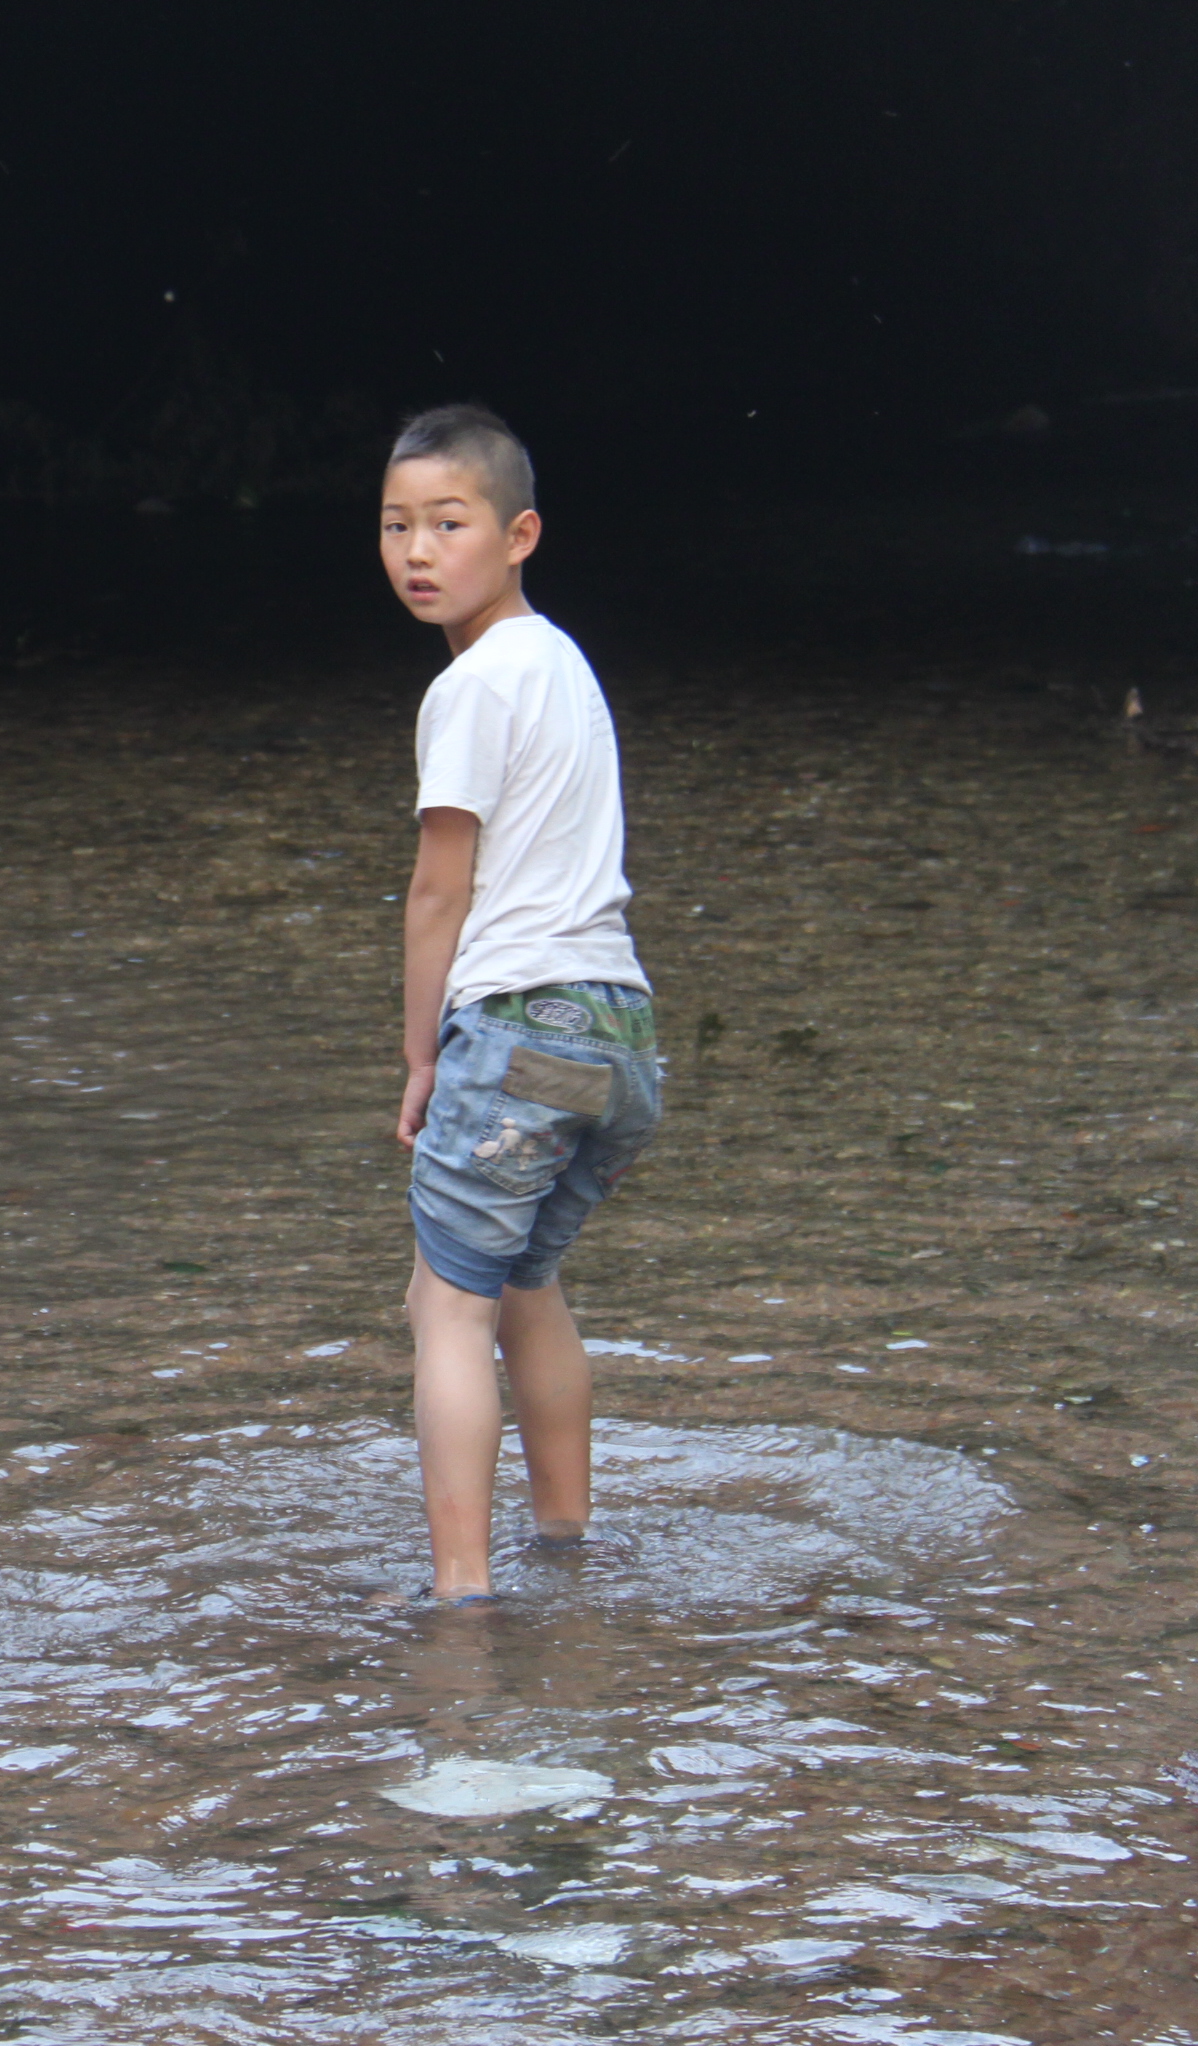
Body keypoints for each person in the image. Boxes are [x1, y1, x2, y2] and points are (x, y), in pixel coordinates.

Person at [380, 406, 665, 1601]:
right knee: (521, 1285)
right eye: (396, 526)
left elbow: (440, 891)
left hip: (516, 1030)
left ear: (521, 533)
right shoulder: (564, 663)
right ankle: (564, 1542)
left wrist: (420, 1060)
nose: (419, 552)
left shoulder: (470, 689)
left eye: (451, 524)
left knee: (444, 1304)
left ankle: (461, 1593)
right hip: (616, 1043)